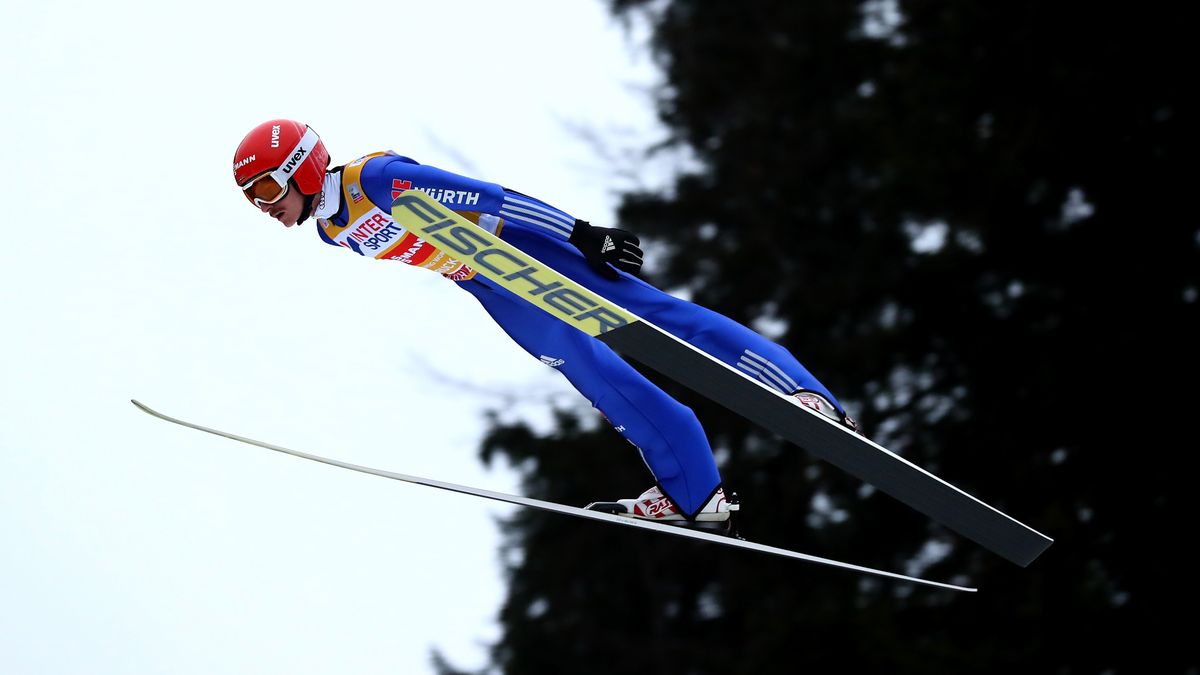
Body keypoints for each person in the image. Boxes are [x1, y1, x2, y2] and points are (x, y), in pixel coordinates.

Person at [232, 119, 858, 524]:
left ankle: (802, 394)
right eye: (252, 200)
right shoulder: (332, 231)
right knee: (594, 375)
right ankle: (696, 495)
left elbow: (491, 197)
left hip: (522, 249)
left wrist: (584, 235)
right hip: (488, 284)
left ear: (301, 169)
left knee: (661, 320)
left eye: (265, 191)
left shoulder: (376, 179)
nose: (265, 209)